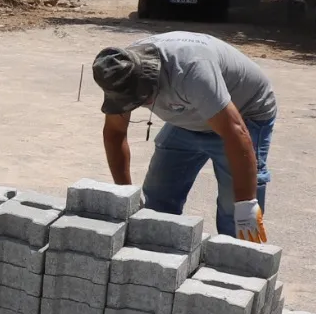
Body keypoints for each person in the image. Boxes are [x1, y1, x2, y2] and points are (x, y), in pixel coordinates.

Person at [91, 32, 275, 241]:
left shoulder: (191, 71)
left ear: (149, 76)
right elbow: (115, 134)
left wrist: (246, 204)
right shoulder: (119, 72)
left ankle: (238, 263)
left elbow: (237, 134)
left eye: (141, 98)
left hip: (244, 114)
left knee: (235, 212)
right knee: (158, 202)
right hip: (188, 116)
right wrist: (126, 197)